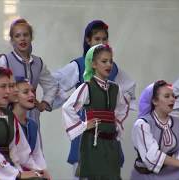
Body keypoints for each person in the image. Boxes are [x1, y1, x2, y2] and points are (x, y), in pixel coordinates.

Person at [53, 19, 136, 175]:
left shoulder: (113, 68)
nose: (101, 42)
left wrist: (116, 122)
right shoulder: (78, 65)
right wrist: (58, 99)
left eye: (104, 39)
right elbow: (55, 83)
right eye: (97, 39)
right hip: (88, 131)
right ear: (88, 40)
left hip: (108, 135)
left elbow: (128, 92)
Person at [62, 44, 129, 179]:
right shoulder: (87, 87)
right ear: (93, 64)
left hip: (111, 143)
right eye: (104, 61)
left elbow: (122, 107)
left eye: (110, 61)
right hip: (93, 142)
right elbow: (67, 107)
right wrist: (84, 125)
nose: (108, 64)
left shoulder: (116, 88)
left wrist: (116, 124)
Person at [0, 18, 58, 136]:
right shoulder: (5, 60)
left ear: (31, 37)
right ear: (12, 40)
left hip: (32, 115)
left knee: (33, 147)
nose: (22, 38)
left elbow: (52, 85)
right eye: (17, 36)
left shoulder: (38, 62)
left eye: (25, 35)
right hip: (10, 114)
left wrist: (44, 104)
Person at [131, 80, 179, 180]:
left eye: (173, 96)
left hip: (170, 172)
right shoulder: (143, 124)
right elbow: (153, 157)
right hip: (147, 175)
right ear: (154, 101)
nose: (172, 99)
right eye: (167, 96)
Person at [12, 76, 51, 179]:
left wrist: (44, 171)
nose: (32, 95)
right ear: (15, 97)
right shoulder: (8, 123)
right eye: (26, 92)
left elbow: (37, 153)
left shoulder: (32, 125)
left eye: (32, 91)